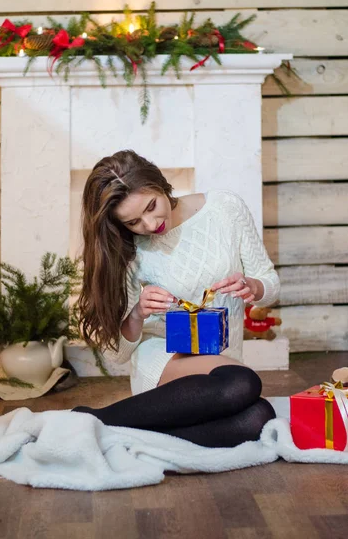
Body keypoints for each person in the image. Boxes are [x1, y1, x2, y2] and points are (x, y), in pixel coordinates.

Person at [73, 150, 280, 447]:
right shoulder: (129, 247)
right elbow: (116, 353)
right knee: (243, 382)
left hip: (219, 365)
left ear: (158, 182)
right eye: (133, 222)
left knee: (259, 417)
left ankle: (126, 435)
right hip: (164, 359)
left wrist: (254, 287)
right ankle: (97, 418)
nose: (148, 224)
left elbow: (270, 284)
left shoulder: (225, 208)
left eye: (151, 206)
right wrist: (137, 313)